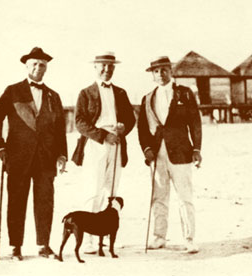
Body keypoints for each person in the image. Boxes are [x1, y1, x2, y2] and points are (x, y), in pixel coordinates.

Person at [0, 47, 68, 261]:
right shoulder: (12, 91)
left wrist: (61, 154)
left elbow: (60, 128)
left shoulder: (54, 96)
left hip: (46, 159)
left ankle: (43, 245)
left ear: (46, 68)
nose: (38, 68)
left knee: (45, 201)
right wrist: (0, 147)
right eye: (34, 63)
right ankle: (15, 246)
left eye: (42, 64)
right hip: (17, 158)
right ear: (26, 65)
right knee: (16, 201)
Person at [71, 51, 136, 253]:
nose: (107, 70)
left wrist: (124, 128)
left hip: (116, 143)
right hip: (95, 144)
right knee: (94, 189)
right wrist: (102, 135)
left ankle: (107, 236)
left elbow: (131, 119)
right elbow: (79, 122)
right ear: (95, 67)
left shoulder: (121, 92)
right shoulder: (85, 93)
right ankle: (88, 240)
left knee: (112, 190)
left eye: (111, 66)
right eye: (103, 66)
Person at [137, 56, 202, 253]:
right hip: (157, 154)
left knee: (185, 196)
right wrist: (147, 150)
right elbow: (142, 129)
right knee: (159, 197)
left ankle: (189, 239)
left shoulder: (185, 93)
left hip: (181, 152)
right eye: (156, 71)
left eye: (164, 69)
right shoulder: (147, 98)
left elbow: (195, 123)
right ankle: (159, 237)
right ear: (152, 75)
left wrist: (197, 149)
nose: (161, 74)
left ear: (170, 70)